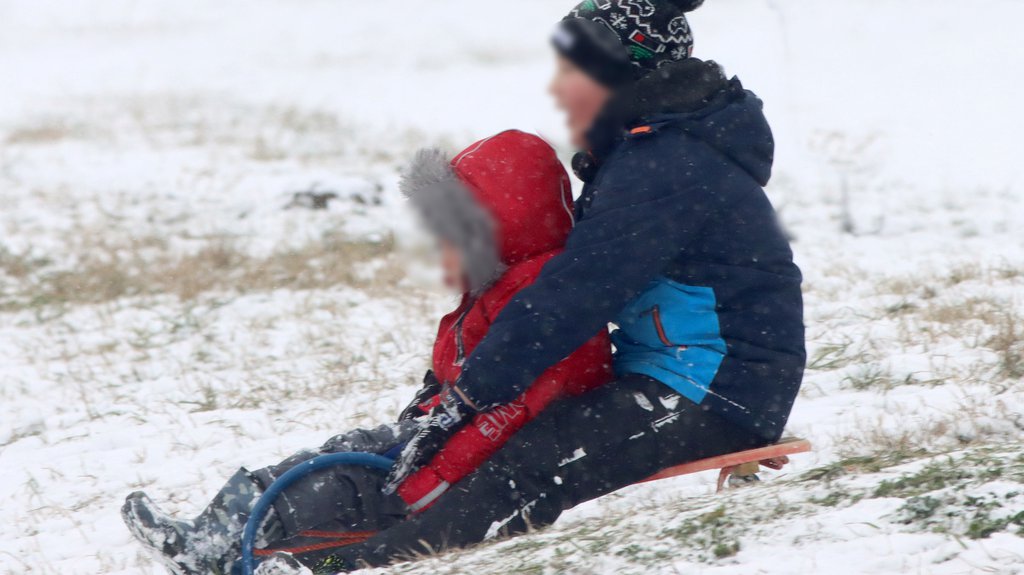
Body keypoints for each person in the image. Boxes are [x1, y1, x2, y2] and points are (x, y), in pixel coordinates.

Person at [305, 0, 805, 571]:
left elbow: (577, 293)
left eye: (572, 69)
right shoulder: (653, 150)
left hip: (716, 390)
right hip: (690, 375)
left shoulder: (665, 166)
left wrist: (474, 391)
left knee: (530, 466)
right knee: (509, 441)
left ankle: (362, 566)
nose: (559, 87)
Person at [120, 130, 613, 575]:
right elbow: (453, 379)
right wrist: (419, 421)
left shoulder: (545, 302)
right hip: (440, 440)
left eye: (453, 233)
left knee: (350, 499)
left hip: (475, 466)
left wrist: (428, 480)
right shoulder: (497, 288)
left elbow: (509, 413)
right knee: (328, 461)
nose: (441, 246)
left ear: (500, 229)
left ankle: (282, 561)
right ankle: (212, 541)